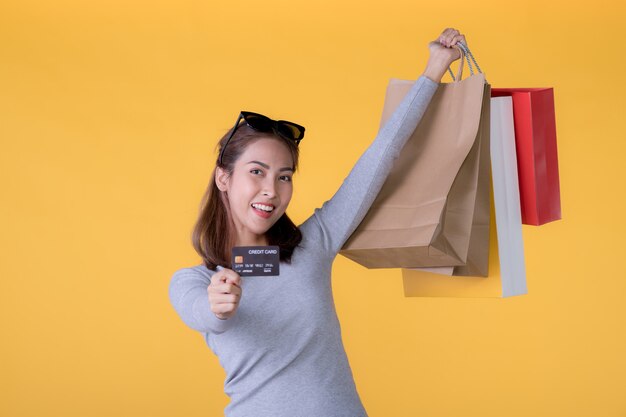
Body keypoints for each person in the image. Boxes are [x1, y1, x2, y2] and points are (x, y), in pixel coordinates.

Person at [169, 28, 468, 417]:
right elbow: (204, 313)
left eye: (284, 176)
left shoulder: (311, 246)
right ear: (224, 178)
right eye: (256, 172)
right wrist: (218, 306)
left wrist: (434, 68)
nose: (271, 191)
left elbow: (381, 157)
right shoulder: (196, 281)